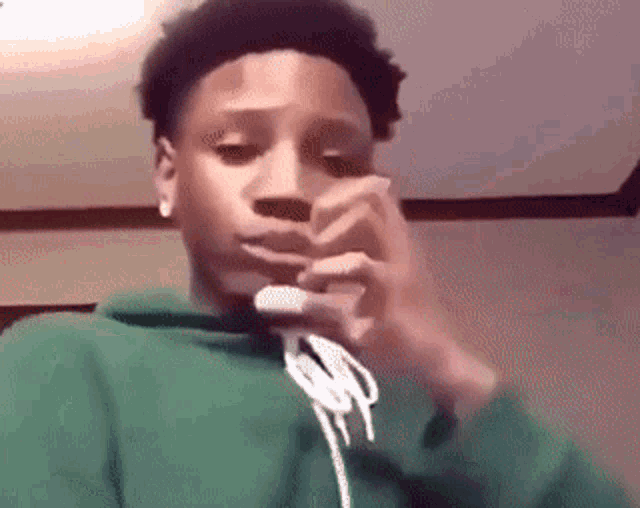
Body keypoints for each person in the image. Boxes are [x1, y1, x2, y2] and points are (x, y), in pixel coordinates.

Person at [0, 0, 636, 506]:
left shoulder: (415, 410)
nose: (288, 190)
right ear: (168, 175)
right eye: (237, 149)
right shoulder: (62, 363)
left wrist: (444, 363)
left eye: (336, 160)